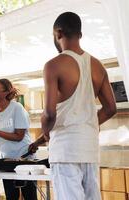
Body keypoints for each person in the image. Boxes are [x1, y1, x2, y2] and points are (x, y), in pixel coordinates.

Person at [28, 12, 117, 200]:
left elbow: (49, 114)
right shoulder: (98, 66)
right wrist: (88, 122)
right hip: (90, 147)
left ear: (58, 33)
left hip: (66, 149)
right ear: (80, 34)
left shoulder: (54, 65)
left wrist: (45, 132)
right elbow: (110, 108)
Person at [0, 79, 37, 200]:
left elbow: (19, 136)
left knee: (29, 196)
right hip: (6, 162)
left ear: (6, 92)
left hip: (24, 159)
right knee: (11, 196)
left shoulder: (17, 108)